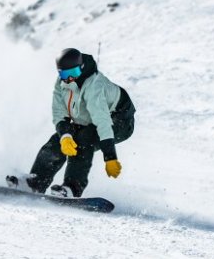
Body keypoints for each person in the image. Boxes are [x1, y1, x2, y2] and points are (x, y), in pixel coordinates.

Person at [8, 48, 136, 197]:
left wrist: (110, 158)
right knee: (57, 141)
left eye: (73, 74)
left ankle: (71, 189)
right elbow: (59, 113)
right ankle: (35, 184)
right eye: (64, 74)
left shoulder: (94, 86)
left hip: (120, 119)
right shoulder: (61, 83)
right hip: (86, 118)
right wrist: (65, 136)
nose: (69, 79)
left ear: (81, 68)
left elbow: (103, 123)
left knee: (84, 140)